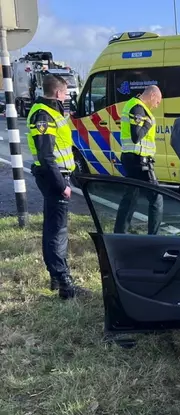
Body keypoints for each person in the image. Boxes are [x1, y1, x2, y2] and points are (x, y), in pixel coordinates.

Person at [27, 74, 91, 299]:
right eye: (65, 93)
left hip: (55, 176)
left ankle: (57, 277)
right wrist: (62, 184)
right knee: (58, 230)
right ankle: (65, 283)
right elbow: (46, 156)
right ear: (57, 93)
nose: (66, 97)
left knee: (53, 227)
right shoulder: (43, 115)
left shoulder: (51, 112)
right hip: (53, 177)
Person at [113, 85, 164, 235]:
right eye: (158, 101)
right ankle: (154, 237)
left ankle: (120, 234)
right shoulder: (137, 108)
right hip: (139, 161)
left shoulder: (134, 104)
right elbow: (136, 137)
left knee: (130, 197)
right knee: (156, 198)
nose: (158, 104)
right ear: (152, 95)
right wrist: (148, 124)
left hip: (132, 158)